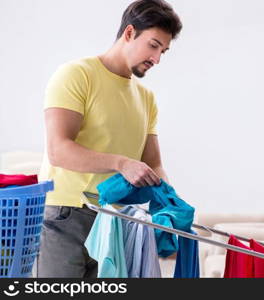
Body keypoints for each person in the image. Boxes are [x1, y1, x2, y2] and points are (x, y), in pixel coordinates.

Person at [36, 0, 182, 278]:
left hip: (114, 222)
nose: (157, 59)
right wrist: (121, 163)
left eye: (163, 51)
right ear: (129, 33)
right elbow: (59, 150)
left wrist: (171, 204)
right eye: (153, 45)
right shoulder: (77, 75)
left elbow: (153, 163)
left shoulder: (146, 98)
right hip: (65, 214)